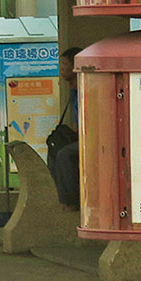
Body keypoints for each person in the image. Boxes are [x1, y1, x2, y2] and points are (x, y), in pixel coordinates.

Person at [48, 47, 84, 208]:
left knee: (65, 154)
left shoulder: (86, 88)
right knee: (54, 145)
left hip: (92, 138)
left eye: (64, 65)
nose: (61, 70)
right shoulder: (73, 90)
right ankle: (59, 194)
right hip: (80, 135)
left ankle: (71, 199)